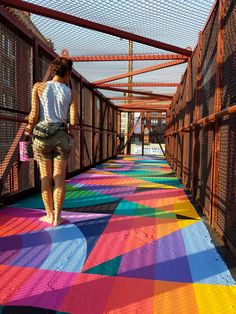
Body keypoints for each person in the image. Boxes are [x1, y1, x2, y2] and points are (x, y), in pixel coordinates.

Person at [25, 57, 78, 226]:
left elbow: (33, 116)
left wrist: (27, 130)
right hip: (61, 136)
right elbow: (74, 122)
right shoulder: (71, 92)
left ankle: (49, 214)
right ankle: (58, 217)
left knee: (46, 177)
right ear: (68, 73)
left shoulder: (38, 87)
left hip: (41, 136)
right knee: (60, 179)